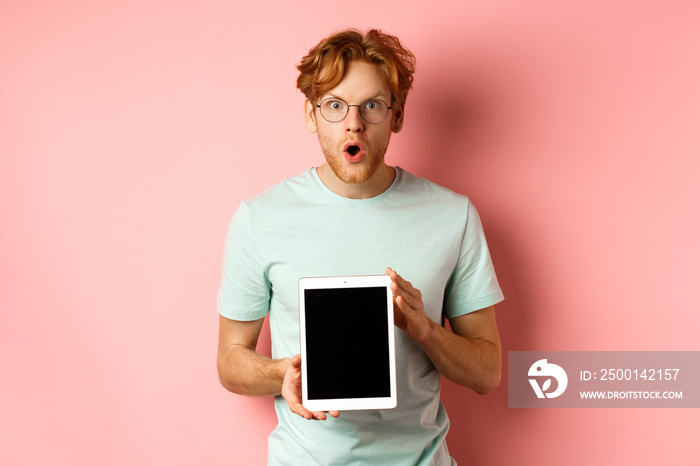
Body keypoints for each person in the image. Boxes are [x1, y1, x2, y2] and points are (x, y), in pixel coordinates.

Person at [217, 28, 504, 465]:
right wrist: (281, 375)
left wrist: (426, 330)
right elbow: (230, 359)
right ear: (312, 116)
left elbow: (487, 372)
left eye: (372, 105)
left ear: (397, 115)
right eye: (335, 105)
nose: (354, 123)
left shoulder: (454, 216)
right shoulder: (260, 218)